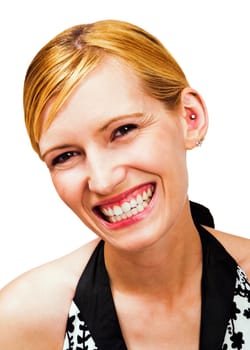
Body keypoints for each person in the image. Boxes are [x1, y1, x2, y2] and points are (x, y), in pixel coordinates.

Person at [0, 19, 249, 350]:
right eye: (66, 156)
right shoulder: (24, 319)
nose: (102, 181)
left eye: (123, 131)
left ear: (190, 118)